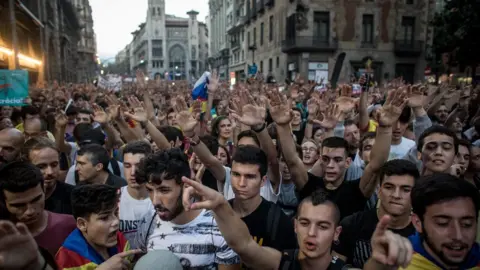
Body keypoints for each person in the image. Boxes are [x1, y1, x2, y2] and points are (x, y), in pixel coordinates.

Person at [182, 179, 351, 270]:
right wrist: (220, 206)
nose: (312, 232)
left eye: (322, 226)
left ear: (337, 233)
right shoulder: (281, 261)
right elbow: (244, 245)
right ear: (295, 226)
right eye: (305, 223)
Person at [134, 148, 241, 269]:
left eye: (164, 190)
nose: (155, 201)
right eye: (149, 190)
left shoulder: (218, 228)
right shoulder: (148, 222)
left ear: (186, 186)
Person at [364, 173, 480, 269]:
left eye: (466, 224)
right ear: (417, 223)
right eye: (442, 223)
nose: (458, 235)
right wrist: (379, 263)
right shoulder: (402, 262)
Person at [333, 159, 419, 268]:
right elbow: (335, 265)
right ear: (379, 190)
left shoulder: (423, 232)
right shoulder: (352, 224)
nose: (396, 195)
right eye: (389, 187)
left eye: (405, 189)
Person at [56, 184, 143, 269]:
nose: (116, 221)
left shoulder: (121, 239)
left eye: (116, 213)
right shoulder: (68, 257)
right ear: (82, 224)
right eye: (104, 218)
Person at [227, 145, 296, 252]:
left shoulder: (278, 221)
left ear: (263, 181)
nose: (241, 183)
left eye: (250, 176)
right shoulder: (219, 214)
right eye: (236, 174)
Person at [0, 161, 76, 256]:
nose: (30, 211)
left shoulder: (71, 226)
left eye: (36, 199)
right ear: (4, 202)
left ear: (44, 191)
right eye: (19, 205)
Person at [22, 137, 74, 215]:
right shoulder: (15, 197)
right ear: (26, 165)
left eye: (54, 165)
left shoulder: (74, 196)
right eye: (41, 166)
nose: (50, 172)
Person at [119, 141, 154, 245]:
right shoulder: (113, 199)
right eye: (127, 166)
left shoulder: (162, 199)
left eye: (139, 165)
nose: (133, 172)